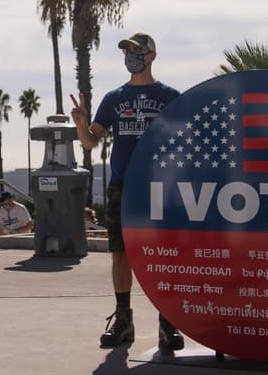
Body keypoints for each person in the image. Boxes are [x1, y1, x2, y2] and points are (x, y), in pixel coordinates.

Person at [70, 32, 185, 352]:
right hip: (122, 185)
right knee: (121, 253)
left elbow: (185, 139)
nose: (129, 56)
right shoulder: (114, 98)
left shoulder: (170, 96)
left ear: (151, 56)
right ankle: (123, 319)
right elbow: (91, 141)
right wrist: (81, 123)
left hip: (159, 186)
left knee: (165, 255)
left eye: (136, 51)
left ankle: (168, 322)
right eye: (126, 52)